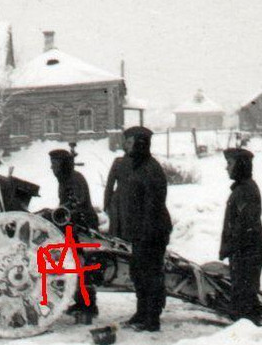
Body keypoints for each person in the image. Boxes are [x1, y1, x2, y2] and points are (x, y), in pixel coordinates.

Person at [109, 126, 172, 332]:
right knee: (138, 273)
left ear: (140, 143)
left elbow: (153, 208)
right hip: (140, 233)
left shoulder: (151, 169)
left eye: (129, 142)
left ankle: (152, 318)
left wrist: (145, 234)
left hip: (152, 232)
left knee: (151, 274)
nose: (125, 147)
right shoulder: (137, 166)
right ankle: (142, 312)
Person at [219, 148, 262, 324]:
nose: (227, 168)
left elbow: (245, 227)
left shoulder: (245, 191)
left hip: (247, 252)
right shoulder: (242, 188)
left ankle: (247, 334)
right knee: (244, 297)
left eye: (230, 163)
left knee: (244, 299)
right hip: (245, 251)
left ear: (240, 165)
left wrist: (232, 248)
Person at [49, 148, 98, 323]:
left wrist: (61, 212)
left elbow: (76, 203)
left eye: (55, 164)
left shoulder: (74, 179)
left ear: (63, 164)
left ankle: (88, 307)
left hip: (82, 226)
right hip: (73, 225)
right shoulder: (66, 178)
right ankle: (81, 303)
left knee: (81, 266)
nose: (52, 168)